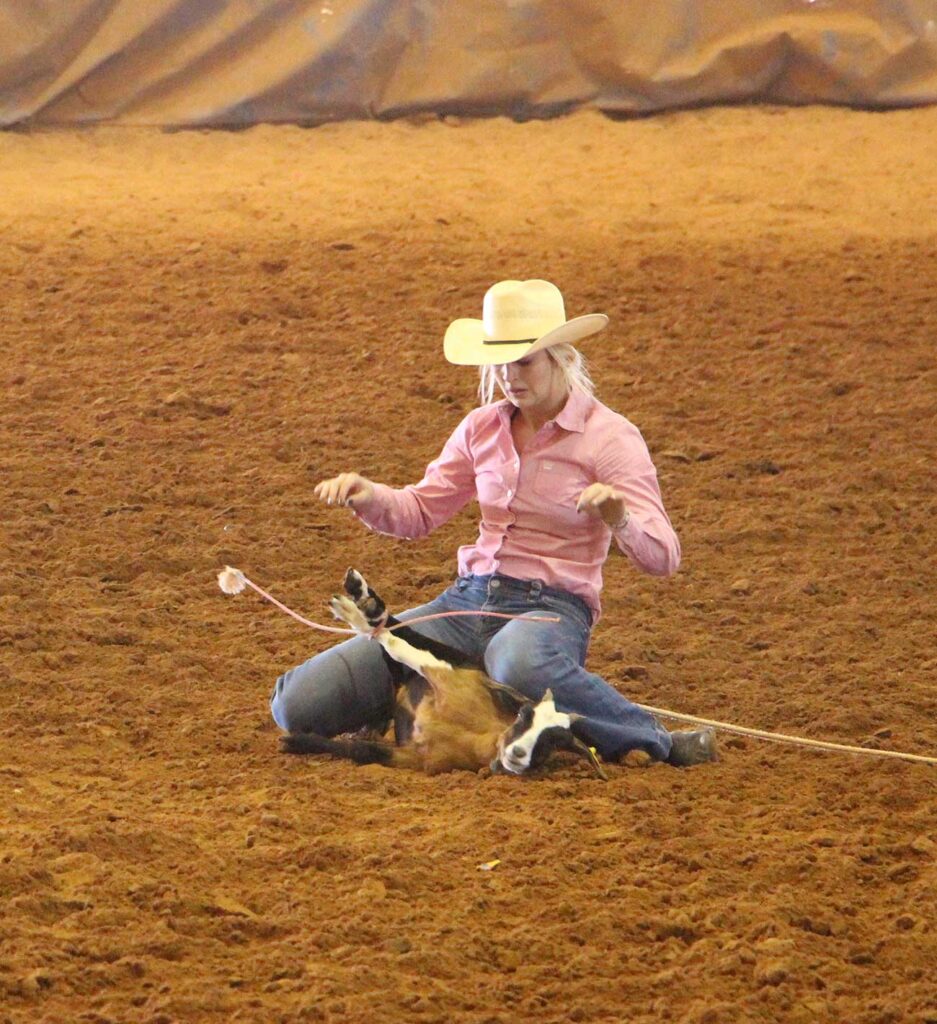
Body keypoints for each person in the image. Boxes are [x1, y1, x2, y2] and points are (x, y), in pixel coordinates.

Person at [270, 279, 717, 768]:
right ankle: (436, 704)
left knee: (517, 659)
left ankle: (656, 739)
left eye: (524, 361)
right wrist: (371, 496)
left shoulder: (611, 438)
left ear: (560, 357)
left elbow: (663, 556)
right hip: (464, 604)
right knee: (297, 705)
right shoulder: (480, 428)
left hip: (549, 611)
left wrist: (620, 518)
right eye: (500, 361)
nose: (509, 374)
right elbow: (421, 511)